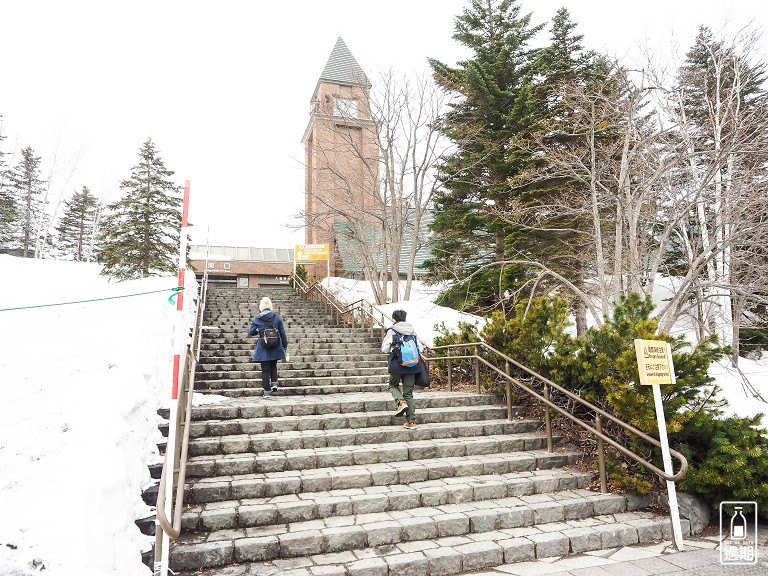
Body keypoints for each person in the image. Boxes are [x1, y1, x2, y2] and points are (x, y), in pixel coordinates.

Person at [381, 309, 421, 429]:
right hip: (412, 365)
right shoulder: (412, 331)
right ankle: (411, 422)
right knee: (408, 393)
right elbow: (420, 348)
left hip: (397, 365)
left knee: (393, 385)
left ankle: (401, 402)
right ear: (404, 319)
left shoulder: (392, 330)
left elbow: (384, 349)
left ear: (393, 319)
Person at [248, 296, 288, 399]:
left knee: (265, 369)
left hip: (263, 346)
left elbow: (250, 332)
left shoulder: (257, 318)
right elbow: (283, 333)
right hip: (275, 345)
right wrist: (285, 346)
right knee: (273, 365)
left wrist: (259, 331)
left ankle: (266, 392)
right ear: (270, 306)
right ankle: (274, 383)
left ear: (261, 306)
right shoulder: (276, 317)